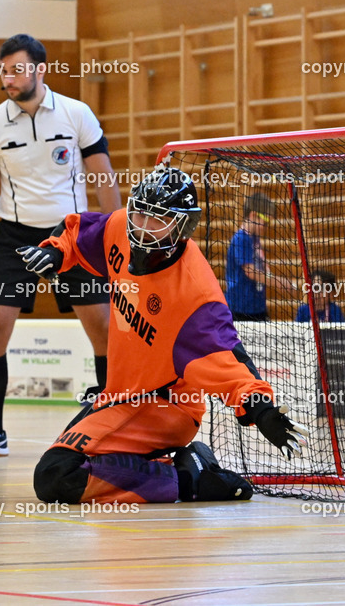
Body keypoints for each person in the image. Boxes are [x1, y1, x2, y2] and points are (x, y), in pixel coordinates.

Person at [17, 161, 309, 504]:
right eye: (139, 213)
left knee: (57, 475)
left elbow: (231, 360)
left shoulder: (195, 297)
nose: (141, 226)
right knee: (79, 464)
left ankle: (189, 479)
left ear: (182, 226)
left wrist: (262, 411)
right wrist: (53, 252)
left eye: (157, 219)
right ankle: (184, 464)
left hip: (166, 404)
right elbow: (80, 232)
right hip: (121, 396)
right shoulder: (120, 229)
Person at [0, 33, 120, 458]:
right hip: (14, 236)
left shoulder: (76, 113)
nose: (7, 79)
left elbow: (103, 177)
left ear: (39, 70)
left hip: (73, 234)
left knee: (104, 329)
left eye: (16, 69)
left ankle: (108, 424)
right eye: (3, 71)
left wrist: (116, 242)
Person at [225, 192, 298, 321]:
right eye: (265, 222)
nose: (266, 227)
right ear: (253, 215)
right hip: (240, 309)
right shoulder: (240, 239)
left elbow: (262, 267)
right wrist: (278, 282)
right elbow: (250, 271)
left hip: (256, 306)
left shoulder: (254, 239)